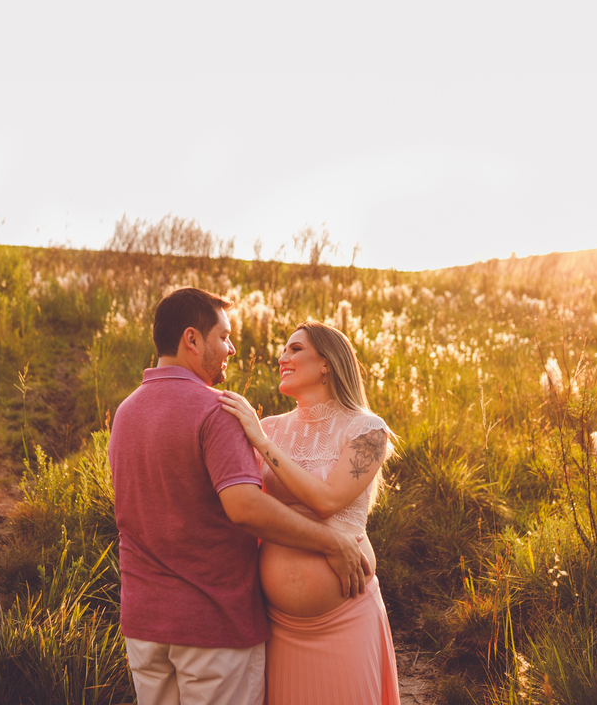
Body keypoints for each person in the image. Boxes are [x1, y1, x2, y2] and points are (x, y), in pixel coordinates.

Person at [108, 289, 371, 705]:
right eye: (224, 337)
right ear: (192, 340)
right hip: (213, 625)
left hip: (144, 623)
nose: (231, 348)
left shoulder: (125, 412)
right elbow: (246, 507)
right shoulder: (218, 410)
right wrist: (331, 542)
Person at [219, 320, 400, 705]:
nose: (282, 357)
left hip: (345, 623)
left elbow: (327, 500)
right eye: (283, 350)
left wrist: (261, 442)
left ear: (327, 363)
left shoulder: (368, 430)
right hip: (278, 627)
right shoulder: (269, 428)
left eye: (295, 349)